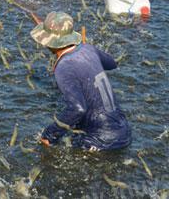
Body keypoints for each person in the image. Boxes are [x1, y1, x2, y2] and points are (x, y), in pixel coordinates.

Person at [31, 11, 131, 151]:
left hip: (100, 140)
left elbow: (77, 109)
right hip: (123, 130)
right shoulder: (88, 49)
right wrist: (88, 54)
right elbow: (112, 64)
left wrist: (50, 134)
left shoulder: (63, 67)